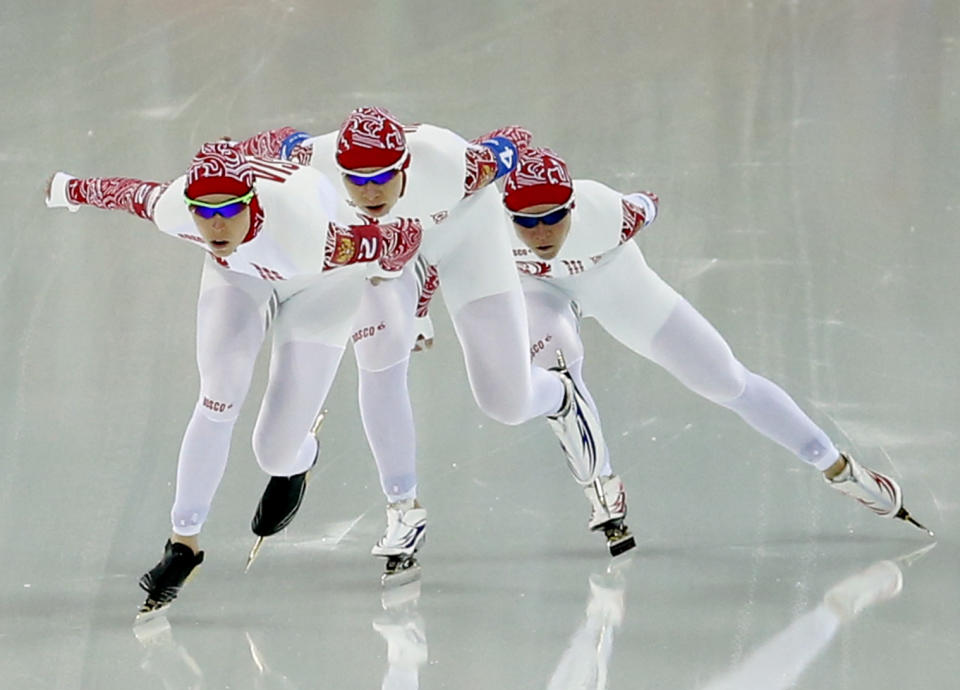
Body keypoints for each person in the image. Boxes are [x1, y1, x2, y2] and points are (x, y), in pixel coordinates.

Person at [45, 131, 424, 614]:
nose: (216, 224)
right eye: (203, 210)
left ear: (253, 203)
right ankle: (184, 543)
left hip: (322, 283)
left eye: (229, 209)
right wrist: (65, 189)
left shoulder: (317, 239)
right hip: (241, 274)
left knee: (274, 451)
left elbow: (402, 238)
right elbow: (120, 193)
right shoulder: (174, 210)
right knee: (219, 393)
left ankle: (299, 459)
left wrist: (394, 280)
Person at [495, 144, 930, 535]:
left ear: (572, 206)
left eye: (554, 217)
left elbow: (649, 203)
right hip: (543, 293)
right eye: (526, 223)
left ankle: (838, 467)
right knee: (555, 355)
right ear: (506, 214)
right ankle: (601, 486)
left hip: (618, 287)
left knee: (725, 382)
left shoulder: (611, 213)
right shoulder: (488, 226)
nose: (542, 233)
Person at [266, 110, 611, 580]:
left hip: (469, 238)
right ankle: (403, 508)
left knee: (506, 402)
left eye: (383, 178)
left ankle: (559, 396)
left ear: (405, 166)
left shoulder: (456, 166)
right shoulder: (312, 162)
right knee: (376, 351)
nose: (369, 192)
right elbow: (269, 151)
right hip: (394, 253)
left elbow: (514, 138)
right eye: (357, 180)